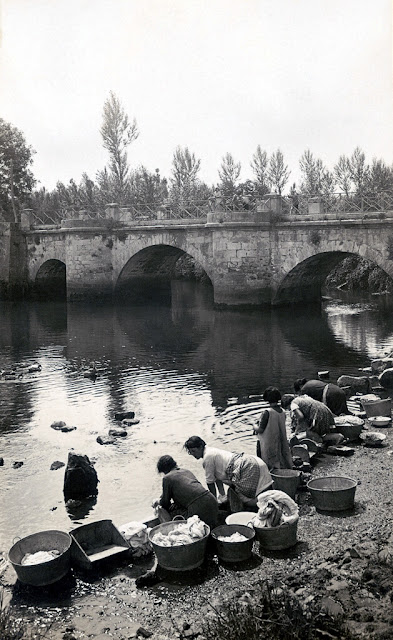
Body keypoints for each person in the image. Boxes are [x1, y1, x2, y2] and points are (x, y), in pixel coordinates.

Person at [184, 436, 272, 513]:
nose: (193, 454)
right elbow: (216, 478)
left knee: (246, 500)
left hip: (247, 467)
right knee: (257, 491)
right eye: (191, 452)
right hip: (251, 461)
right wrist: (222, 496)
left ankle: (270, 501)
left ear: (200, 447)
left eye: (194, 451)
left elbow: (210, 483)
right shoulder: (211, 451)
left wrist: (213, 503)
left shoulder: (208, 457)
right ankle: (270, 499)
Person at [152, 455, 219, 530]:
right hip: (212, 501)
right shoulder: (186, 471)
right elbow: (190, 492)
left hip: (198, 508)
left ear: (164, 470)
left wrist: (157, 502)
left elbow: (165, 503)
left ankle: (170, 531)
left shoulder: (167, 478)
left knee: (161, 509)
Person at [254, 387, 292, 470]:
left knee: (267, 463)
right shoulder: (282, 411)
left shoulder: (267, 412)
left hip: (269, 443)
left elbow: (260, 429)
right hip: (280, 442)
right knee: (279, 460)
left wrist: (253, 425)